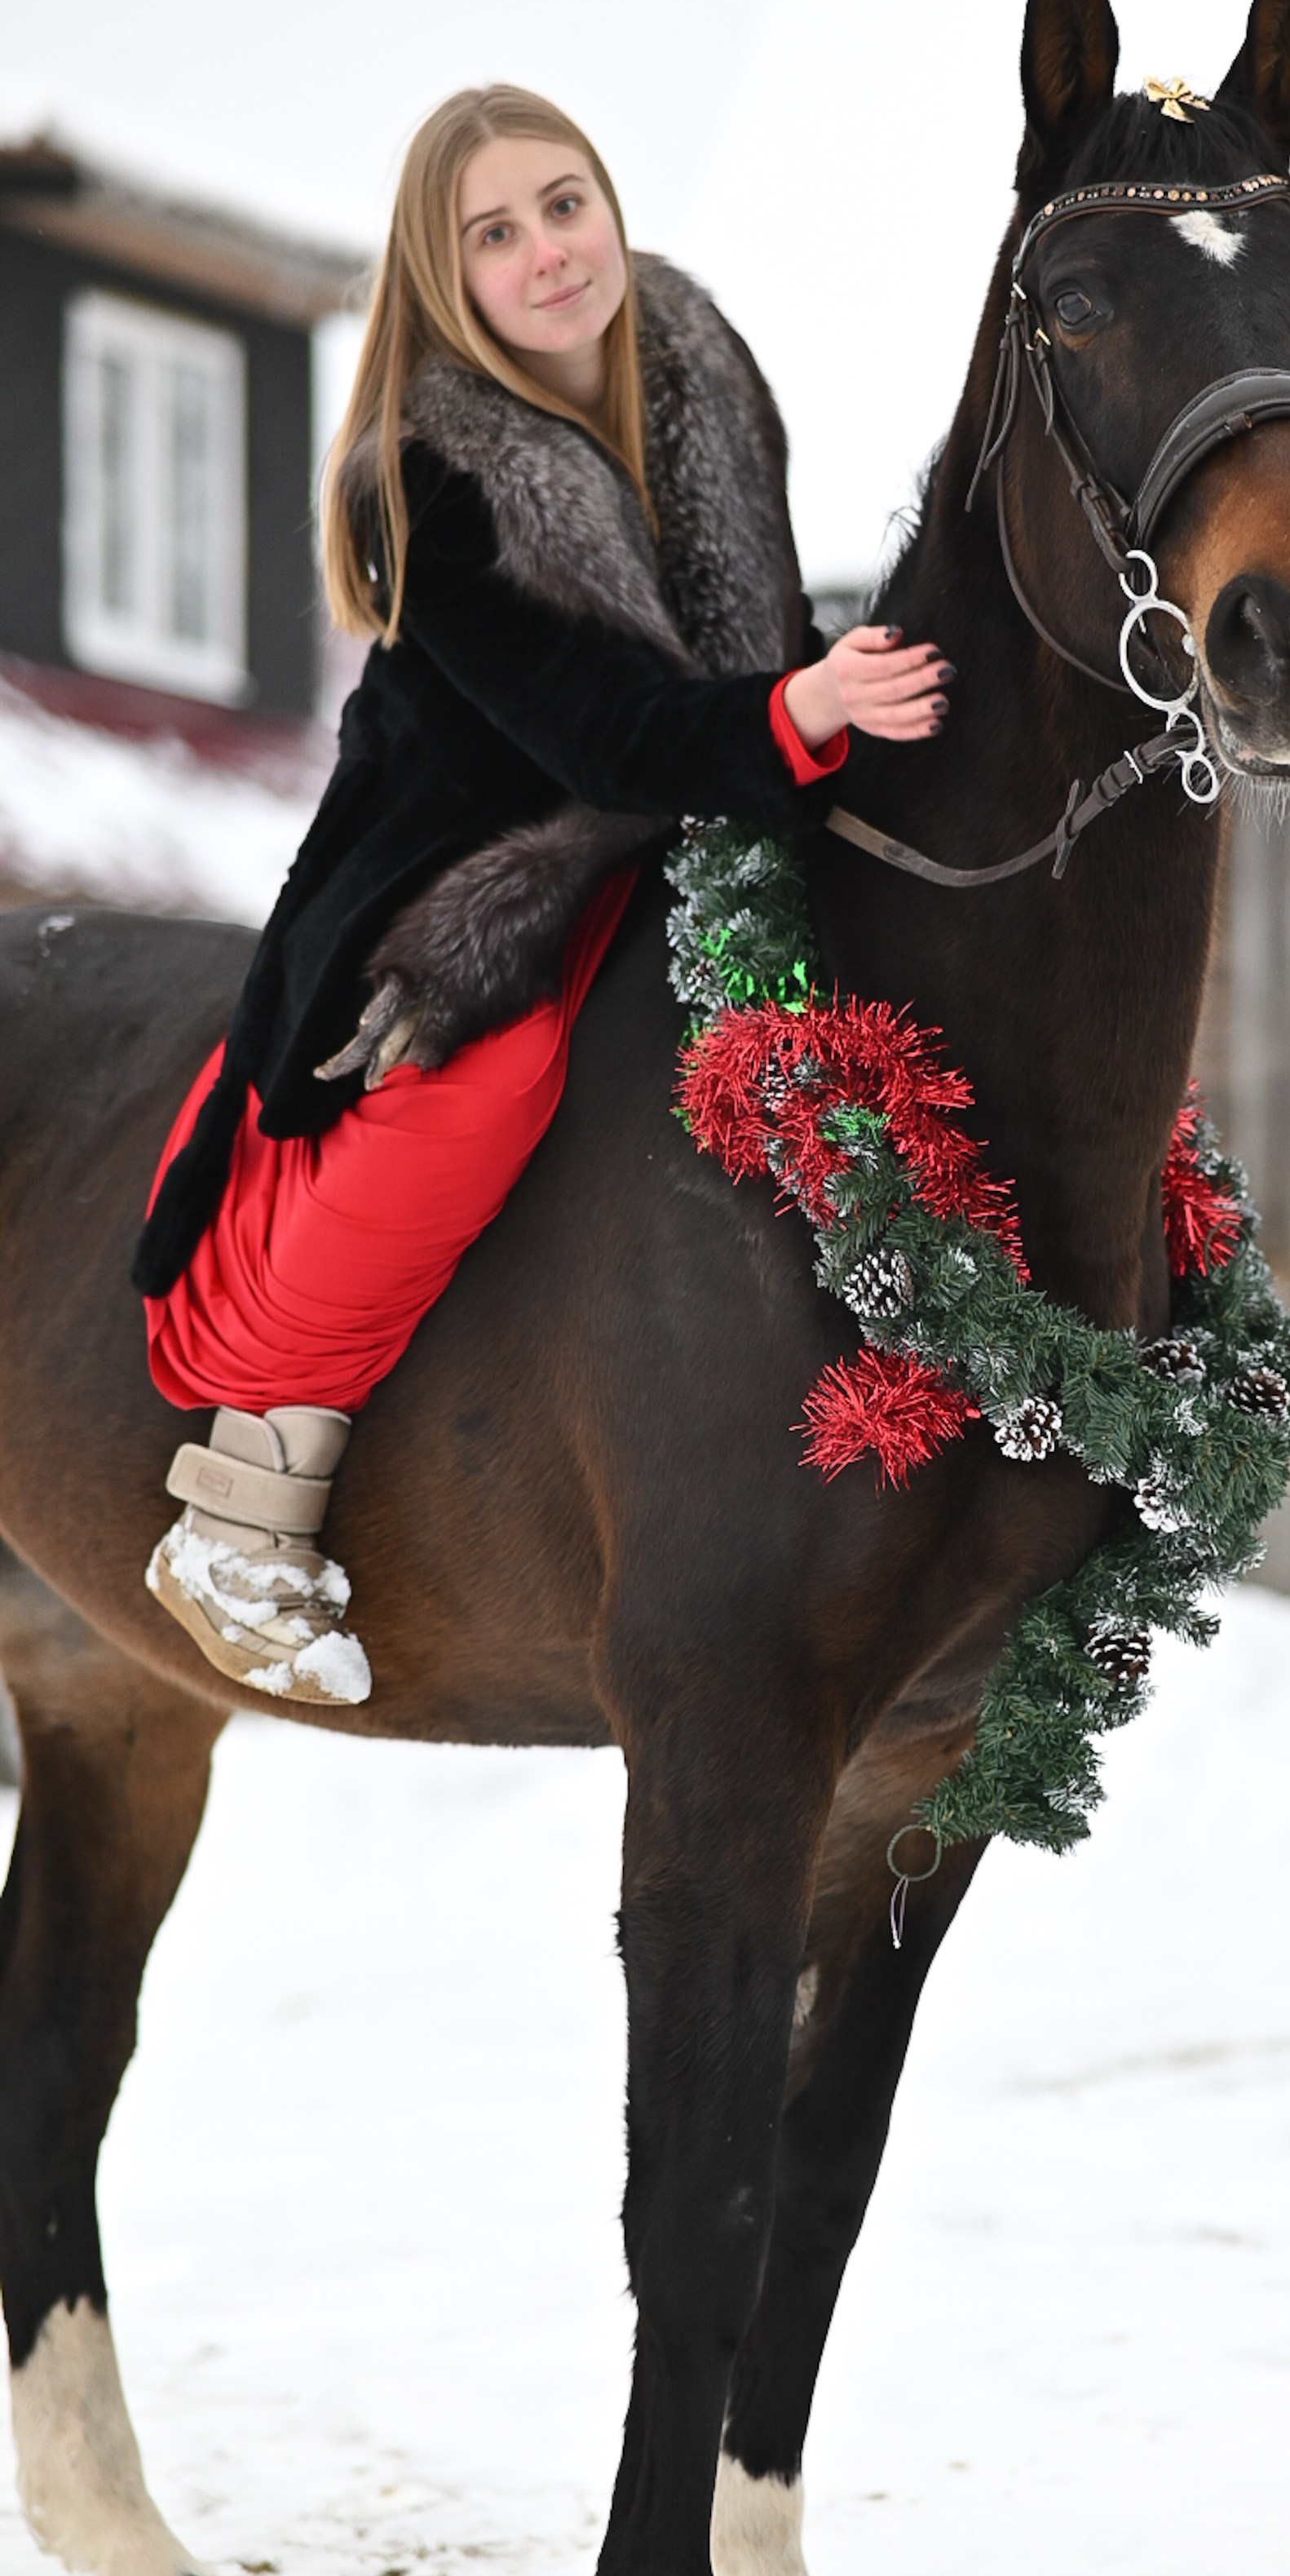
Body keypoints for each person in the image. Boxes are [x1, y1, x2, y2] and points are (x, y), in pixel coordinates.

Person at [130, 85, 948, 1708]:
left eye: (562, 204)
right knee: (479, 1084)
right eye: (491, 236)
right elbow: (608, 728)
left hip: (695, 805)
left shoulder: (696, 362)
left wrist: (849, 689)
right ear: (446, 284)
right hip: (468, 867)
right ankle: (249, 1487)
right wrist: (799, 716)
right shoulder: (426, 475)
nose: (546, 252)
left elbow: (746, 627)